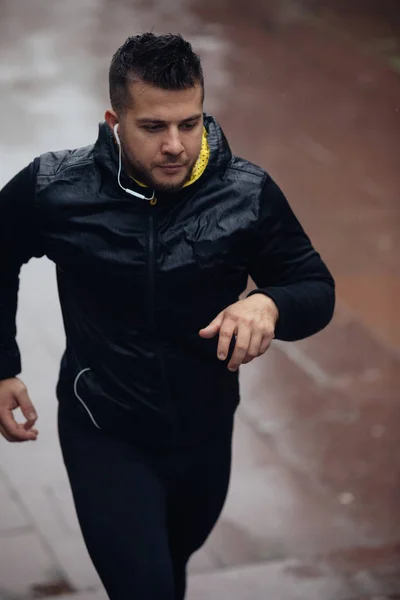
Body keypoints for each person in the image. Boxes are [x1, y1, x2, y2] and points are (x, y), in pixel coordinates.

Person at [0, 33, 335, 599]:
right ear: (115, 120)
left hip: (205, 431)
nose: (176, 144)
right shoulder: (55, 188)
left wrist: (269, 302)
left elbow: (315, 287)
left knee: (169, 567)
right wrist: (3, 364)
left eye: (190, 122)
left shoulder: (246, 193)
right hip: (104, 426)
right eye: (153, 127)